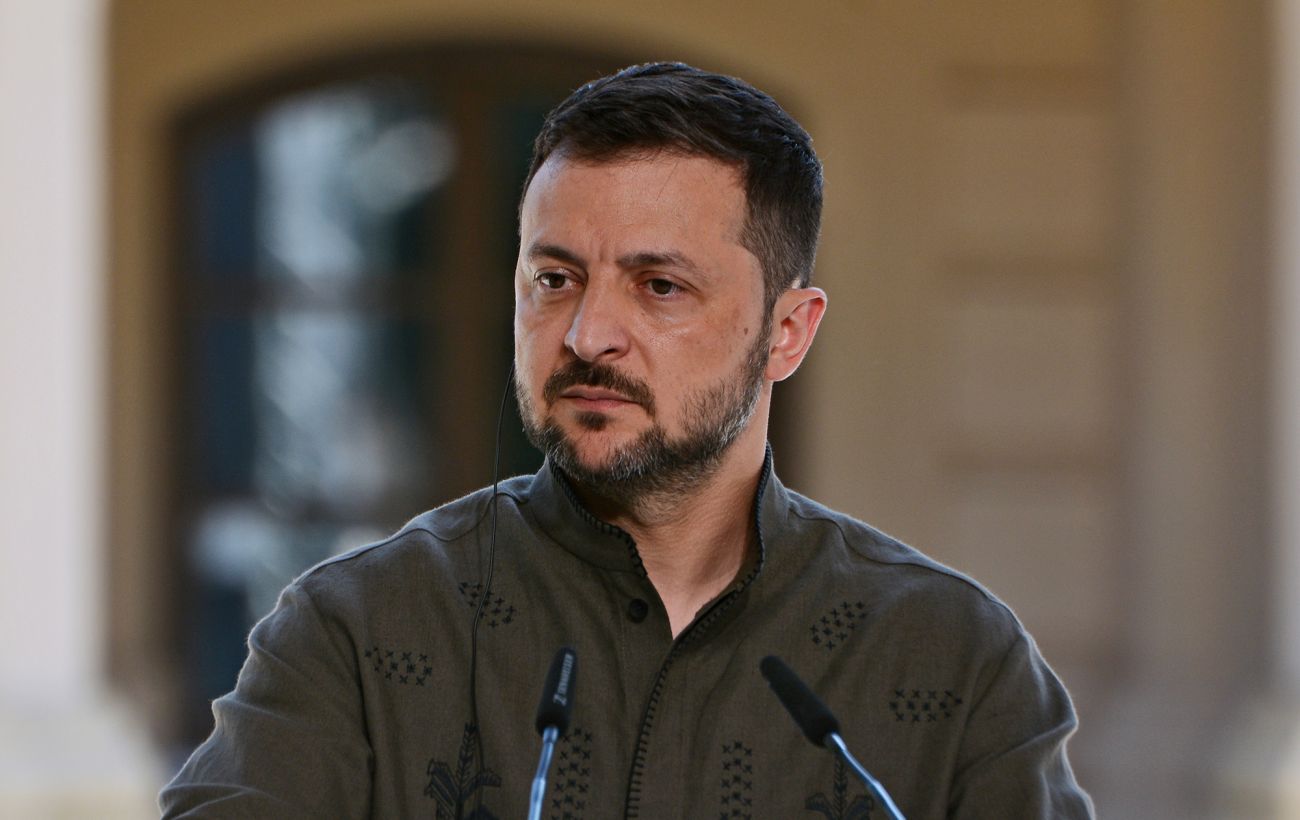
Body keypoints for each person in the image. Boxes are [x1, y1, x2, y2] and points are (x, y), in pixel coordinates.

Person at [161, 62, 1093, 819]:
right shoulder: (357, 634)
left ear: (787, 333)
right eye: (555, 279)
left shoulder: (952, 660)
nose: (586, 335)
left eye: (659, 287)